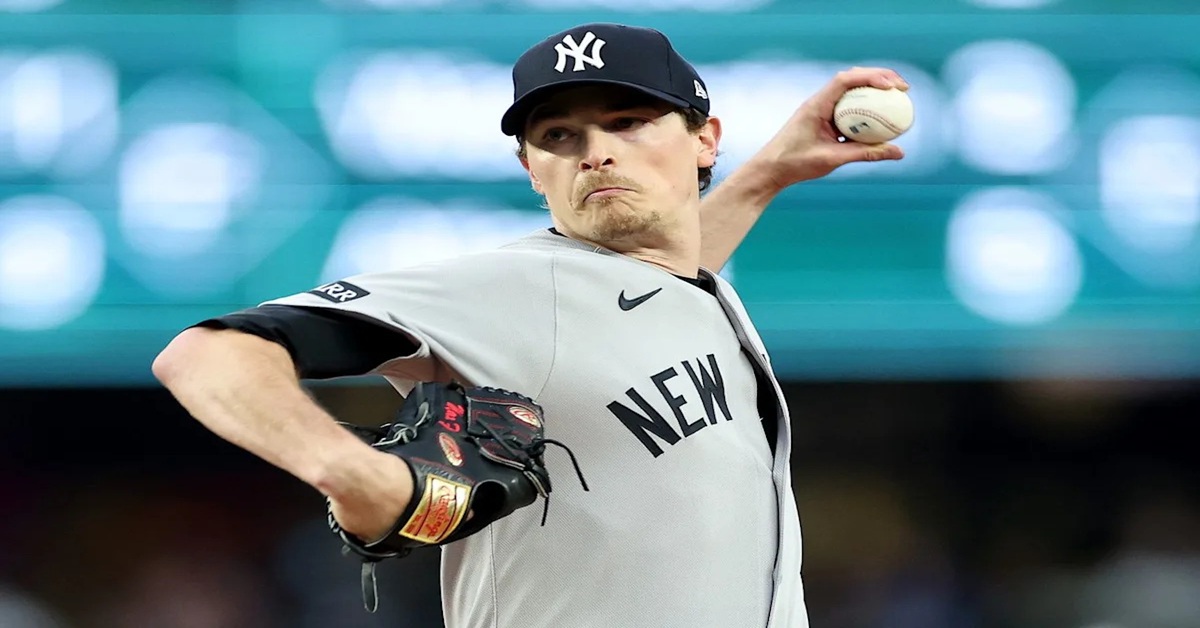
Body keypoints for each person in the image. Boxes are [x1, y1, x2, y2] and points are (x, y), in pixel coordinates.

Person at [152, 22, 907, 628]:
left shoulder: (678, 284)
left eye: (630, 121)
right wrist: (353, 471)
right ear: (530, 169)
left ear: (705, 139)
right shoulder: (510, 288)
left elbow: (661, 282)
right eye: (559, 137)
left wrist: (770, 171)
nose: (597, 152)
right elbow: (205, 354)